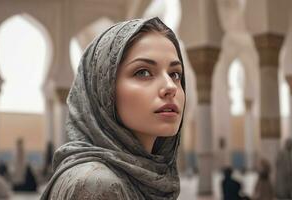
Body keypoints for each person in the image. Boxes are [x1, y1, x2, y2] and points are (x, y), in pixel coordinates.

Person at [40, 17, 186, 200]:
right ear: (104, 90)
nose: (170, 87)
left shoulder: (145, 176)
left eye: (175, 74)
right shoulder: (97, 184)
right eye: (143, 72)